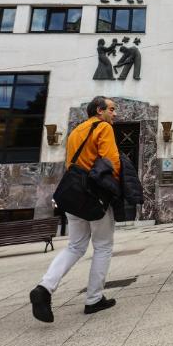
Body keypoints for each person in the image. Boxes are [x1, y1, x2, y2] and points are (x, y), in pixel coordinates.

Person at [30, 96, 121, 323]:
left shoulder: (75, 131)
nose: (114, 113)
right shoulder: (103, 127)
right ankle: (93, 299)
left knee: (75, 246)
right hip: (94, 195)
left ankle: (44, 288)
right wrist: (117, 189)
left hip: (73, 195)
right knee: (103, 246)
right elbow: (112, 161)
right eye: (111, 109)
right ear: (99, 111)